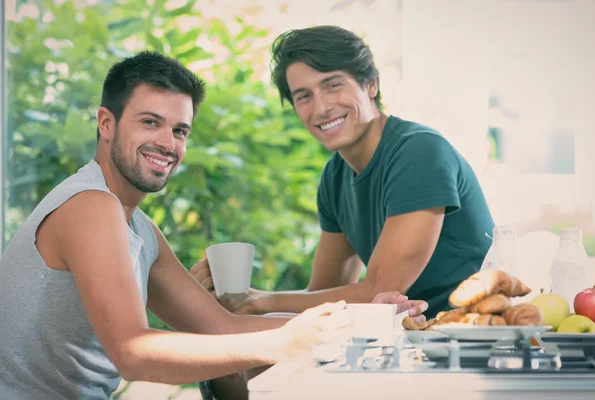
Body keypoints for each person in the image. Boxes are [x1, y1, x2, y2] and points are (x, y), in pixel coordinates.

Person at [0, 51, 366, 400]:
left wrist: (352, 324)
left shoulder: (139, 228)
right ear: (106, 123)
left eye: (180, 131)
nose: (167, 143)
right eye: (150, 122)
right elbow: (134, 353)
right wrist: (281, 342)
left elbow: (220, 326)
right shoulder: (90, 206)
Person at [192, 25, 495, 321]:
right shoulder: (335, 176)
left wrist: (257, 301)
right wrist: (232, 298)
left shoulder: (419, 152)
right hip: (405, 339)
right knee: (233, 354)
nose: (321, 107)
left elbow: (381, 290)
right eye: (303, 96)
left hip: (471, 333)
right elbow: (323, 295)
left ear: (371, 84)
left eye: (333, 85)